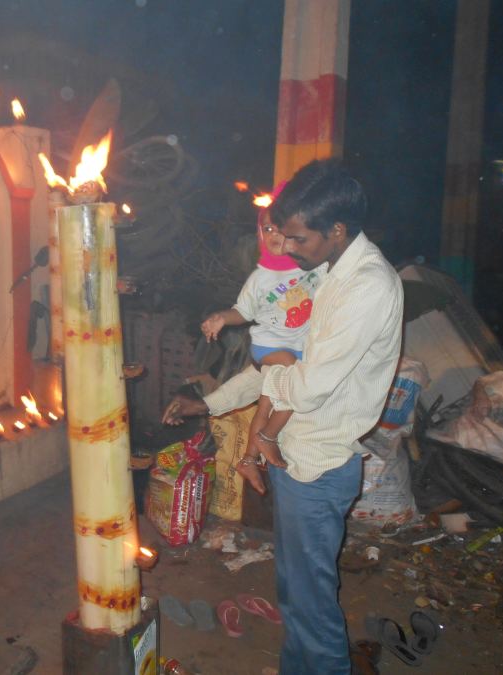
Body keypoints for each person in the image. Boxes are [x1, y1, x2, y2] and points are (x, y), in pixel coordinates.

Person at [166, 159, 403, 674]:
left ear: (336, 229)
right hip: (295, 455)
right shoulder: (326, 273)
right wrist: (213, 403)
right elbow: (279, 365)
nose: (288, 248)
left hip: (317, 464)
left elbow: (305, 384)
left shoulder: (366, 286)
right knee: (296, 593)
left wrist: (271, 367)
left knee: (311, 605)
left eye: (298, 238)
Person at [164, 198, 326, 492]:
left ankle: (249, 458)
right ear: (260, 233)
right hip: (270, 348)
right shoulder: (260, 278)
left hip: (298, 350)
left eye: (282, 229)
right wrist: (221, 318)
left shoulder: (313, 269)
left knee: (266, 403)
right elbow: (242, 311)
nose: (275, 235)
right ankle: (267, 438)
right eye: (268, 229)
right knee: (293, 381)